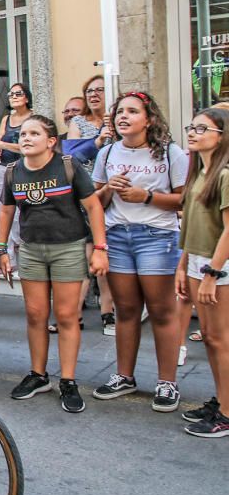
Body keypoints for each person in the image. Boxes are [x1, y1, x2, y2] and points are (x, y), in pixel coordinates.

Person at [0, 115, 109, 413]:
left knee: (66, 315)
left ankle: (69, 381)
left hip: (69, 248)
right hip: (31, 250)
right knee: (35, 315)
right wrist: (2, 249)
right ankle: (38, 375)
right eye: (22, 133)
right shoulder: (13, 172)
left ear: (50, 141)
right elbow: (7, 212)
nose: (26, 138)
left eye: (34, 133)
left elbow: (93, 206)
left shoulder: (68, 166)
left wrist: (100, 248)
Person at [91, 92, 188, 412]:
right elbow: (95, 204)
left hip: (156, 237)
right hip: (118, 236)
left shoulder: (171, 154)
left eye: (132, 112)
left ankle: (167, 381)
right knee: (126, 311)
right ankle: (124, 375)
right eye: (120, 112)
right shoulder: (107, 153)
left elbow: (182, 200)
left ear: (149, 119)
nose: (124, 117)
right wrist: (108, 189)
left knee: (161, 311)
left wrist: (144, 196)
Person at [176, 107, 229, 437]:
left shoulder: (225, 175)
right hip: (196, 261)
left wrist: (212, 273)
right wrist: (183, 267)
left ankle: (227, 411)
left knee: (221, 339)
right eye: (191, 127)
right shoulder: (197, 172)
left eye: (201, 128)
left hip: (217, 265)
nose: (193, 132)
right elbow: (190, 227)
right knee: (209, 338)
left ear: (221, 136)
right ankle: (221, 399)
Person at [66, 75, 117, 334]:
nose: (94, 94)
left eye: (100, 90)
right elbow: (72, 154)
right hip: (87, 192)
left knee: (103, 252)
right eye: (89, 91)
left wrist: (114, 129)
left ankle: (108, 310)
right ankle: (74, 314)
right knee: (87, 253)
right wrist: (98, 139)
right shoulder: (78, 122)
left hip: (117, 192)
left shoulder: (121, 120)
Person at [0, 83, 32, 271]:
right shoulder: (6, 119)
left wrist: (3, 146)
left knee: (20, 211)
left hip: (21, 168)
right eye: (11, 94)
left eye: (18, 93)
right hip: (0, 168)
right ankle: (8, 256)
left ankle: (24, 251)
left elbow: (27, 146)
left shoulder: (33, 119)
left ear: (27, 98)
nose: (13, 96)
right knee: (0, 211)